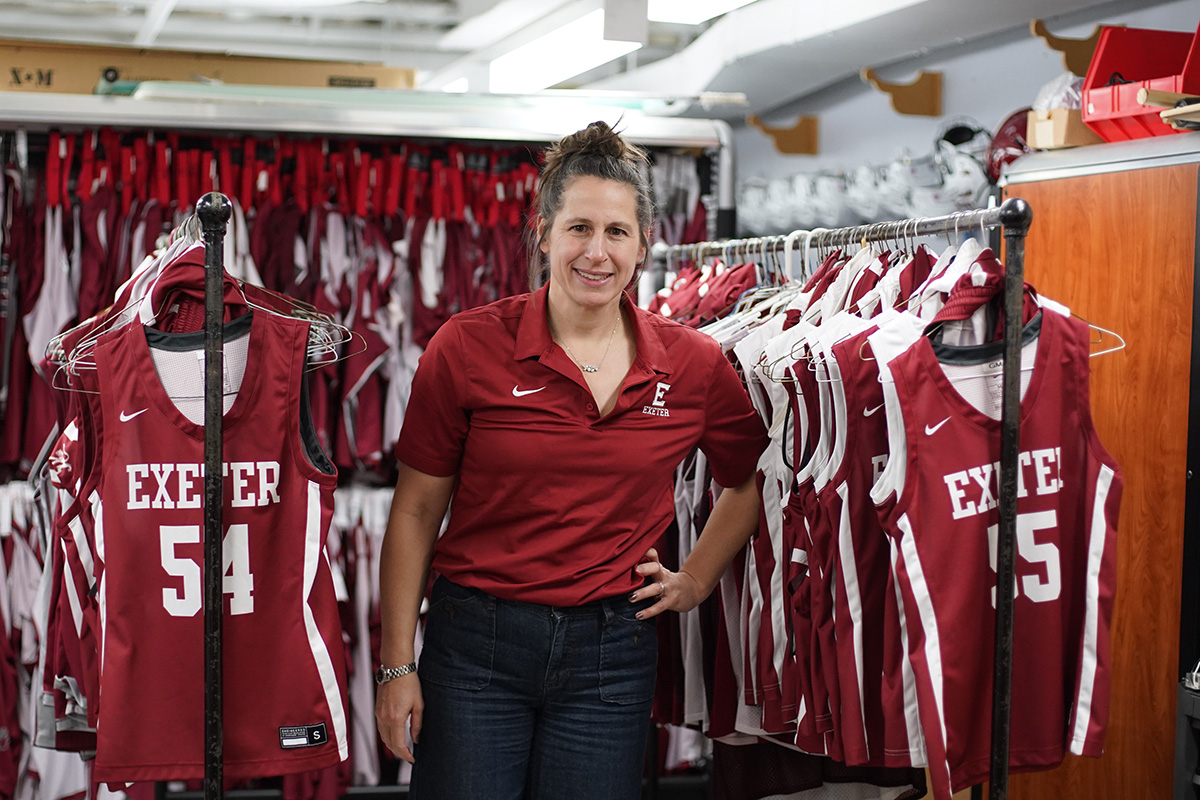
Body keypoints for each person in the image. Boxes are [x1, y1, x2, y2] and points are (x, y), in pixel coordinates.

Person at [374, 120, 769, 800]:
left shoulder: (694, 364)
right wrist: (393, 666)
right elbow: (414, 510)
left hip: (611, 653)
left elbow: (746, 481)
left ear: (644, 245)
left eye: (617, 232)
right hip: (476, 645)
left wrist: (695, 581)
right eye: (579, 228)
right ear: (544, 233)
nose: (596, 252)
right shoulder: (467, 347)